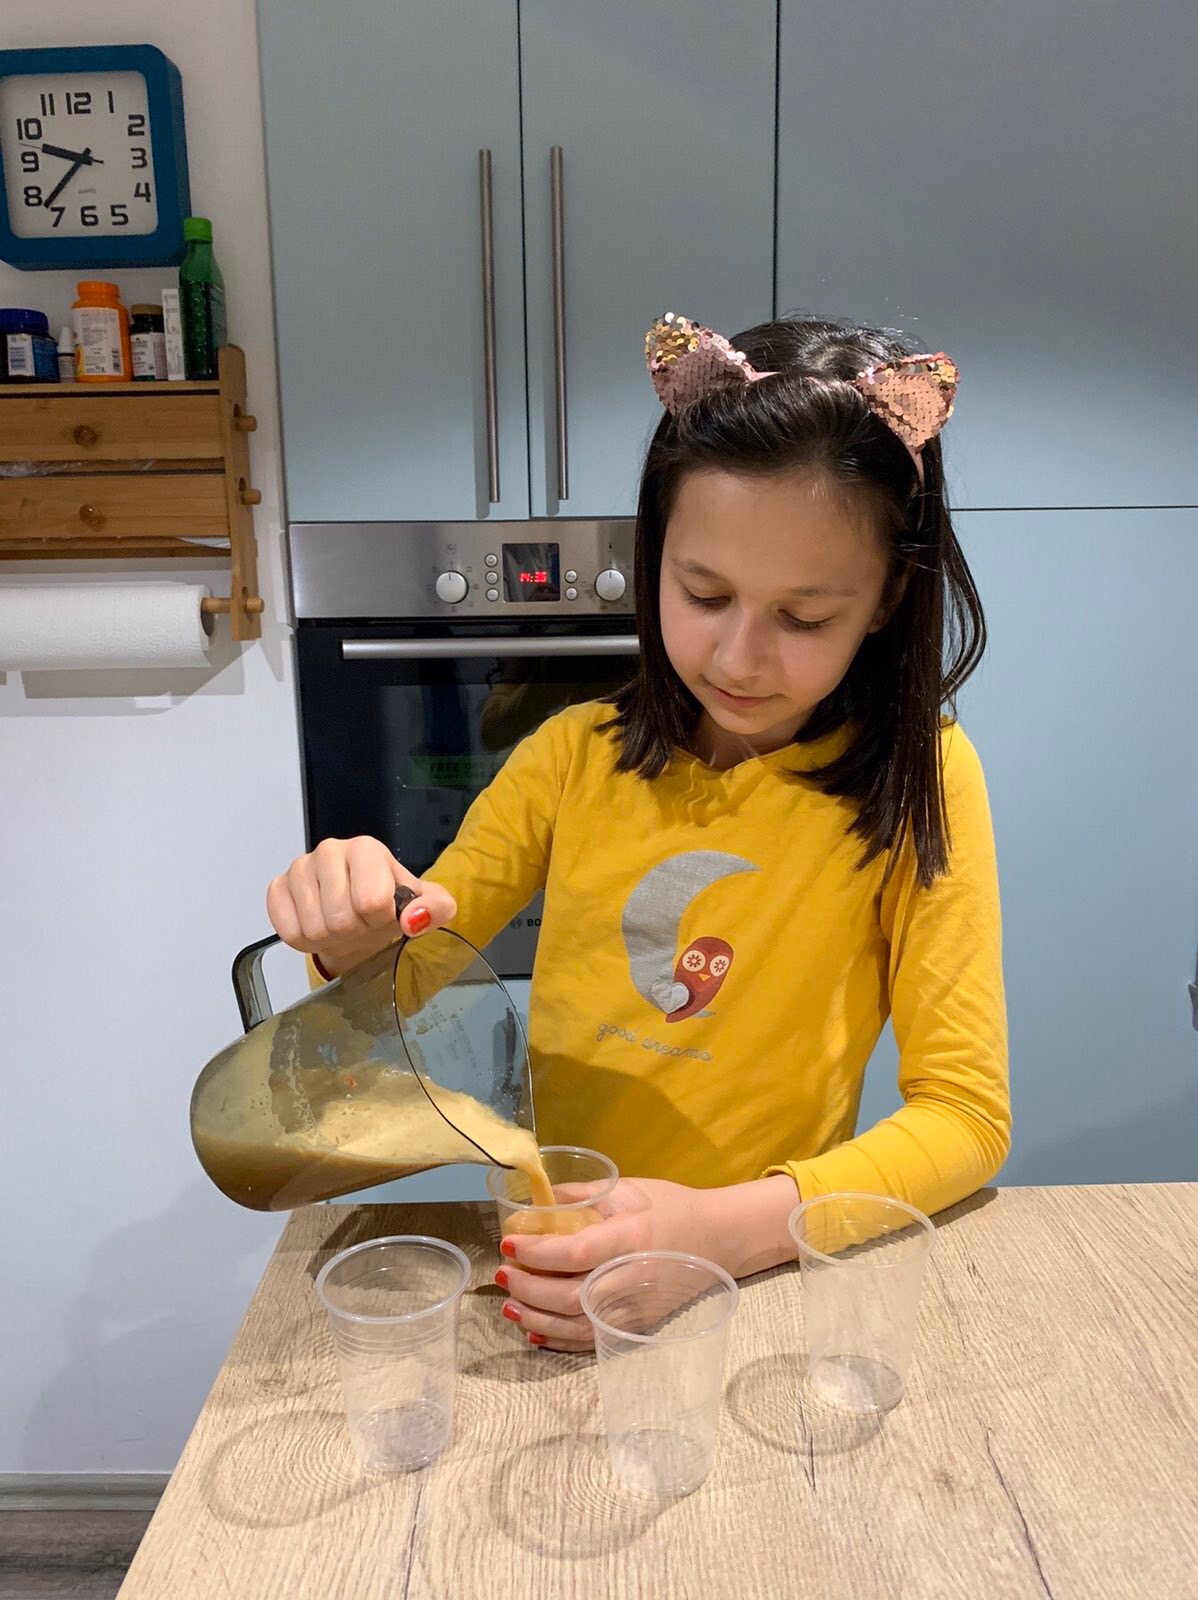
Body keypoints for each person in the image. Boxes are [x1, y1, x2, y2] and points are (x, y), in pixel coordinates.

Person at [267, 312, 1010, 1351]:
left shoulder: (919, 779)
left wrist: (721, 1233)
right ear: (654, 556)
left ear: (888, 596)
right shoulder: (572, 758)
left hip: (761, 1280)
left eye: (804, 618)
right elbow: (407, 968)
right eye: (704, 594)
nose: (739, 659)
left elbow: (965, 1115)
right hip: (561, 1260)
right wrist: (353, 929)